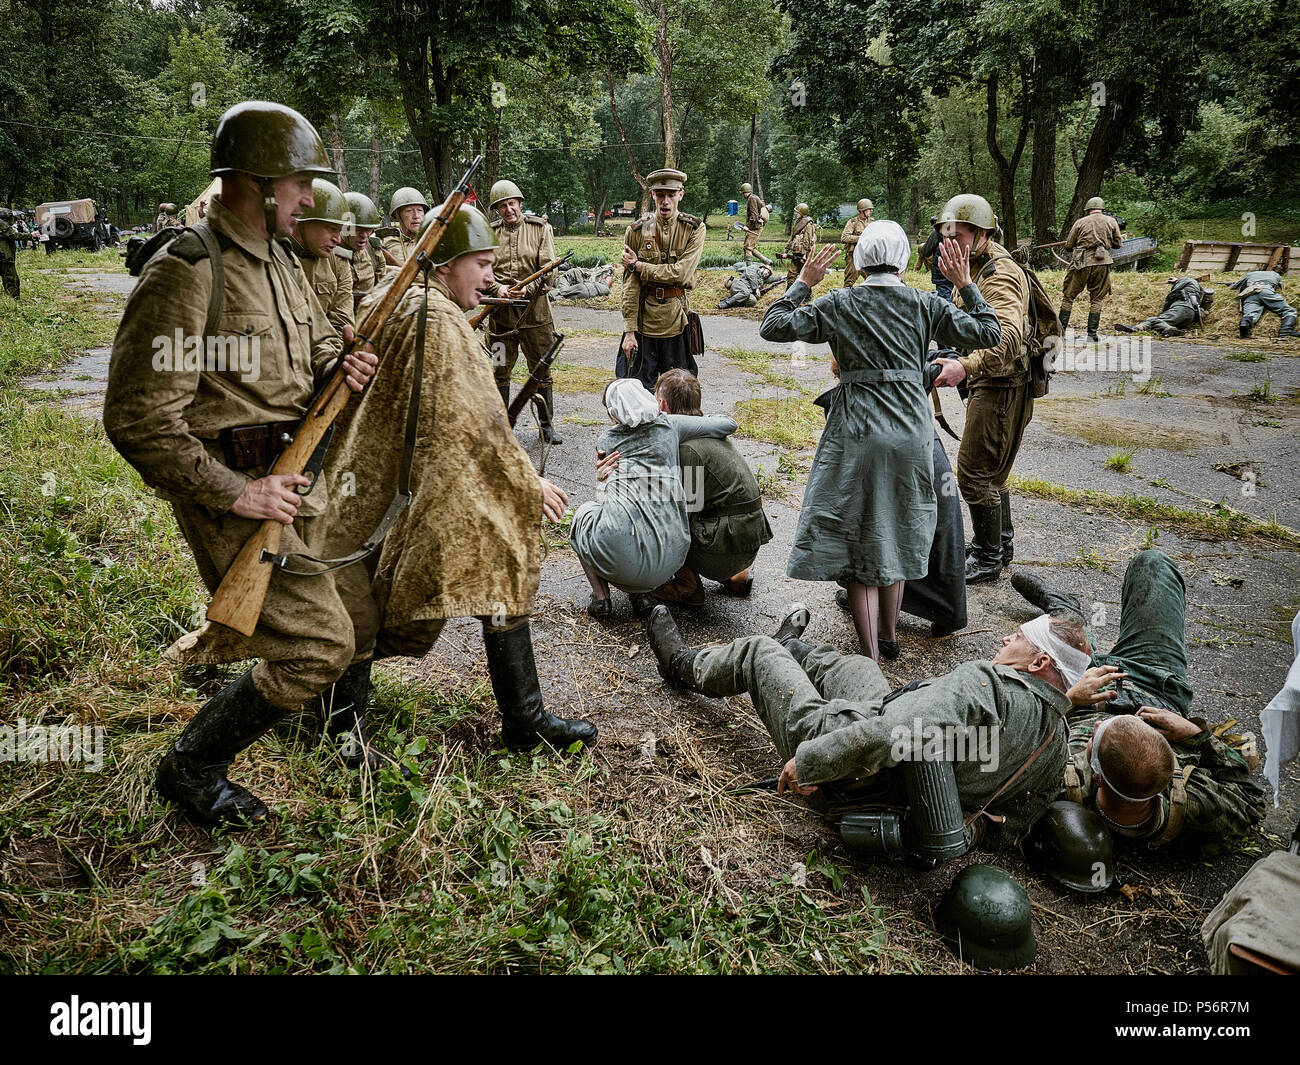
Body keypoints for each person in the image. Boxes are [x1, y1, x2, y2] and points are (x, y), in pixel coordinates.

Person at [103, 101, 378, 828]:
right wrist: (237, 494)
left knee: (352, 609)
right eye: (297, 185)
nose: (308, 199)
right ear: (256, 184)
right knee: (320, 645)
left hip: (294, 475)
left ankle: (324, 722)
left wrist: (344, 364)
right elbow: (138, 418)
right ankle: (191, 765)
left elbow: (312, 351)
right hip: (235, 491)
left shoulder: (285, 262)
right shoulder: (190, 270)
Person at [320, 206, 597, 756]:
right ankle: (337, 720)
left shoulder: (400, 297)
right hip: (409, 482)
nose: (492, 278)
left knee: (381, 586)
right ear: (445, 264)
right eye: (483, 264)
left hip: (375, 479)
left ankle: (523, 718)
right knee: (379, 594)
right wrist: (524, 482)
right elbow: (473, 421)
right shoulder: (437, 320)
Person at [757, 220, 1001, 659]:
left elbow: (772, 327)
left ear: (859, 259)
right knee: (899, 527)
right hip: (911, 432)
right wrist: (965, 285)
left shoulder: (840, 303)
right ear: (905, 260)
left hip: (856, 432)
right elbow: (988, 334)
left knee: (859, 537)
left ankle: (869, 651)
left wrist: (802, 283)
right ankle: (890, 635)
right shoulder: (927, 304)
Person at [645, 603, 1092, 841]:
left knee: (756, 651)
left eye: (1019, 637)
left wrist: (815, 760)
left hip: (856, 764)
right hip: (894, 769)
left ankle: (684, 665)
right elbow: (1013, 825)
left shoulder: (987, 686)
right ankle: (795, 652)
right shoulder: (1055, 741)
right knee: (856, 668)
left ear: (1039, 661)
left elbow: (899, 732)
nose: (1006, 637)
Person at [1012, 552, 1266, 851]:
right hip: (1156, 683)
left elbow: (1011, 736)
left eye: (1098, 735)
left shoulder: (1059, 782)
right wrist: (1194, 734)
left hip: (1083, 687)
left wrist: (1069, 699)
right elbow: (1252, 801)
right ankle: (1074, 627)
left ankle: (1067, 615)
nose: (1098, 727)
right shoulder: (1196, 807)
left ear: (1096, 775)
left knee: (1025, 655)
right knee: (1152, 563)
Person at [570, 378, 738, 619]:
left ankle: (601, 599)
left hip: (622, 558)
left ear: (613, 414)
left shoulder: (606, 441)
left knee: (586, 513)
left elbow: (608, 495)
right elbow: (728, 424)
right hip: (672, 560)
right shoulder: (669, 426)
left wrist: (602, 478)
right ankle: (642, 596)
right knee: (649, 510)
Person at [930, 193, 1033, 586]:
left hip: (1002, 383)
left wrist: (965, 365)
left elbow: (1006, 341)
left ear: (983, 234)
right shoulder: (972, 266)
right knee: (995, 473)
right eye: (945, 233)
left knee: (974, 473)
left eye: (959, 234)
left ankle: (988, 559)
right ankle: (998, 545)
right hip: (993, 380)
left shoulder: (999, 275)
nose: (949, 241)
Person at [644, 369, 773, 605]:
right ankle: (735, 577)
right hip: (743, 538)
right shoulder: (711, 432)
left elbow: (683, 516)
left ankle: (687, 587)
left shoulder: (687, 449)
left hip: (729, 548)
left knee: (666, 519)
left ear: (661, 405)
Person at [485, 178, 563, 445]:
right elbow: (482, 270)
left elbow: (548, 272)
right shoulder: (489, 233)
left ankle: (546, 427)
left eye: (512, 204)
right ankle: (500, 428)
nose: (508, 210)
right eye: (502, 206)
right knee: (499, 371)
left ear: (520, 203)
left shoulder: (540, 229)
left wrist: (526, 291)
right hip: (499, 318)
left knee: (541, 370)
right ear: (497, 210)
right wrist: (497, 288)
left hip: (536, 316)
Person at [619, 168, 706, 390]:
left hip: (675, 320)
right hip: (643, 322)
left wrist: (639, 266)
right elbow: (630, 285)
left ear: (680, 195)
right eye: (660, 195)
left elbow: (682, 273)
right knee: (636, 390)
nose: (665, 201)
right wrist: (629, 332)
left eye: (670, 194)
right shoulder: (637, 230)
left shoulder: (693, 229)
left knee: (680, 390)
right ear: (653, 196)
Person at [289, 178, 353, 334]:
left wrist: (332, 356)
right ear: (303, 222)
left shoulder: (338, 262)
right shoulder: (275, 255)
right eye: (332, 229)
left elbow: (341, 322)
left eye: (340, 231)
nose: (338, 239)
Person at [1058, 195, 1123, 344]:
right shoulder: (1111, 221)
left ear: (1088, 209)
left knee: (1068, 297)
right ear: (1101, 208)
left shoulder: (1080, 222)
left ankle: (1060, 332)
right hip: (1102, 262)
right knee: (1097, 299)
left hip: (1081, 262)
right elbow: (1118, 244)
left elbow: (1068, 245)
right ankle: (1092, 335)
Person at [1115, 276, 1214, 337]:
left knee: (1153, 320)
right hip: (1190, 315)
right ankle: (1168, 329)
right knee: (1158, 325)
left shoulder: (1188, 280)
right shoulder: (1199, 291)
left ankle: (1135, 328)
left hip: (1181, 308)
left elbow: (1169, 298)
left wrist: (1163, 313)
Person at [336, 190, 386, 311]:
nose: (364, 235)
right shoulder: (328, 255)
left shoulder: (374, 250)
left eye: (369, 229)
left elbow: (382, 286)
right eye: (358, 229)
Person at [1229, 269, 1297, 339]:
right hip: (1266, 291)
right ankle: (1285, 332)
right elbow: (1280, 285)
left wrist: (1229, 284)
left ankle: (1244, 327)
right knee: (1289, 311)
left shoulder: (1250, 274)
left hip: (1251, 293)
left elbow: (1234, 286)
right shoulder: (1275, 274)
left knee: (1251, 315)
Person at [382, 187, 428, 265]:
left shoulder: (432, 240)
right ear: (397, 215)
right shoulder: (383, 242)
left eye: (420, 210)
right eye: (409, 211)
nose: (416, 216)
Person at [839, 198, 873, 288]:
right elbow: (844, 237)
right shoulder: (853, 222)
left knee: (873, 280)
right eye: (869, 209)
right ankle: (844, 299)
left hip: (867, 256)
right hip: (854, 256)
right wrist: (862, 238)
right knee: (849, 282)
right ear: (862, 210)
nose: (871, 211)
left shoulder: (872, 222)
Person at [917, 215, 952, 302]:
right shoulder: (961, 229)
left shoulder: (937, 233)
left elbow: (925, 251)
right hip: (959, 275)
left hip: (942, 275)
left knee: (945, 304)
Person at [783, 202, 817, 289]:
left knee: (805, 274)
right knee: (791, 273)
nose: (796, 214)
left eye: (797, 212)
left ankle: (807, 294)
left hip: (804, 253)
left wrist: (805, 255)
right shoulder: (798, 222)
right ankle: (788, 293)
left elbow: (808, 240)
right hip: (796, 252)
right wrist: (786, 251)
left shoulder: (809, 224)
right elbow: (792, 237)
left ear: (802, 213)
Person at [740, 181, 769, 264]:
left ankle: (749, 268)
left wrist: (747, 226)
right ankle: (767, 262)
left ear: (745, 192)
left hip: (755, 227)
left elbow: (754, 215)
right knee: (750, 247)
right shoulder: (754, 197)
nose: (742, 195)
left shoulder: (752, 199)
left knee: (748, 247)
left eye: (743, 193)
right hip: (756, 226)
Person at [0, 207, 20, 299]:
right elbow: (13, 235)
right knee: (11, 279)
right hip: (5, 257)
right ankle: (14, 299)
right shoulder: (2, 225)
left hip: (5, 256)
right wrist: (31, 235)